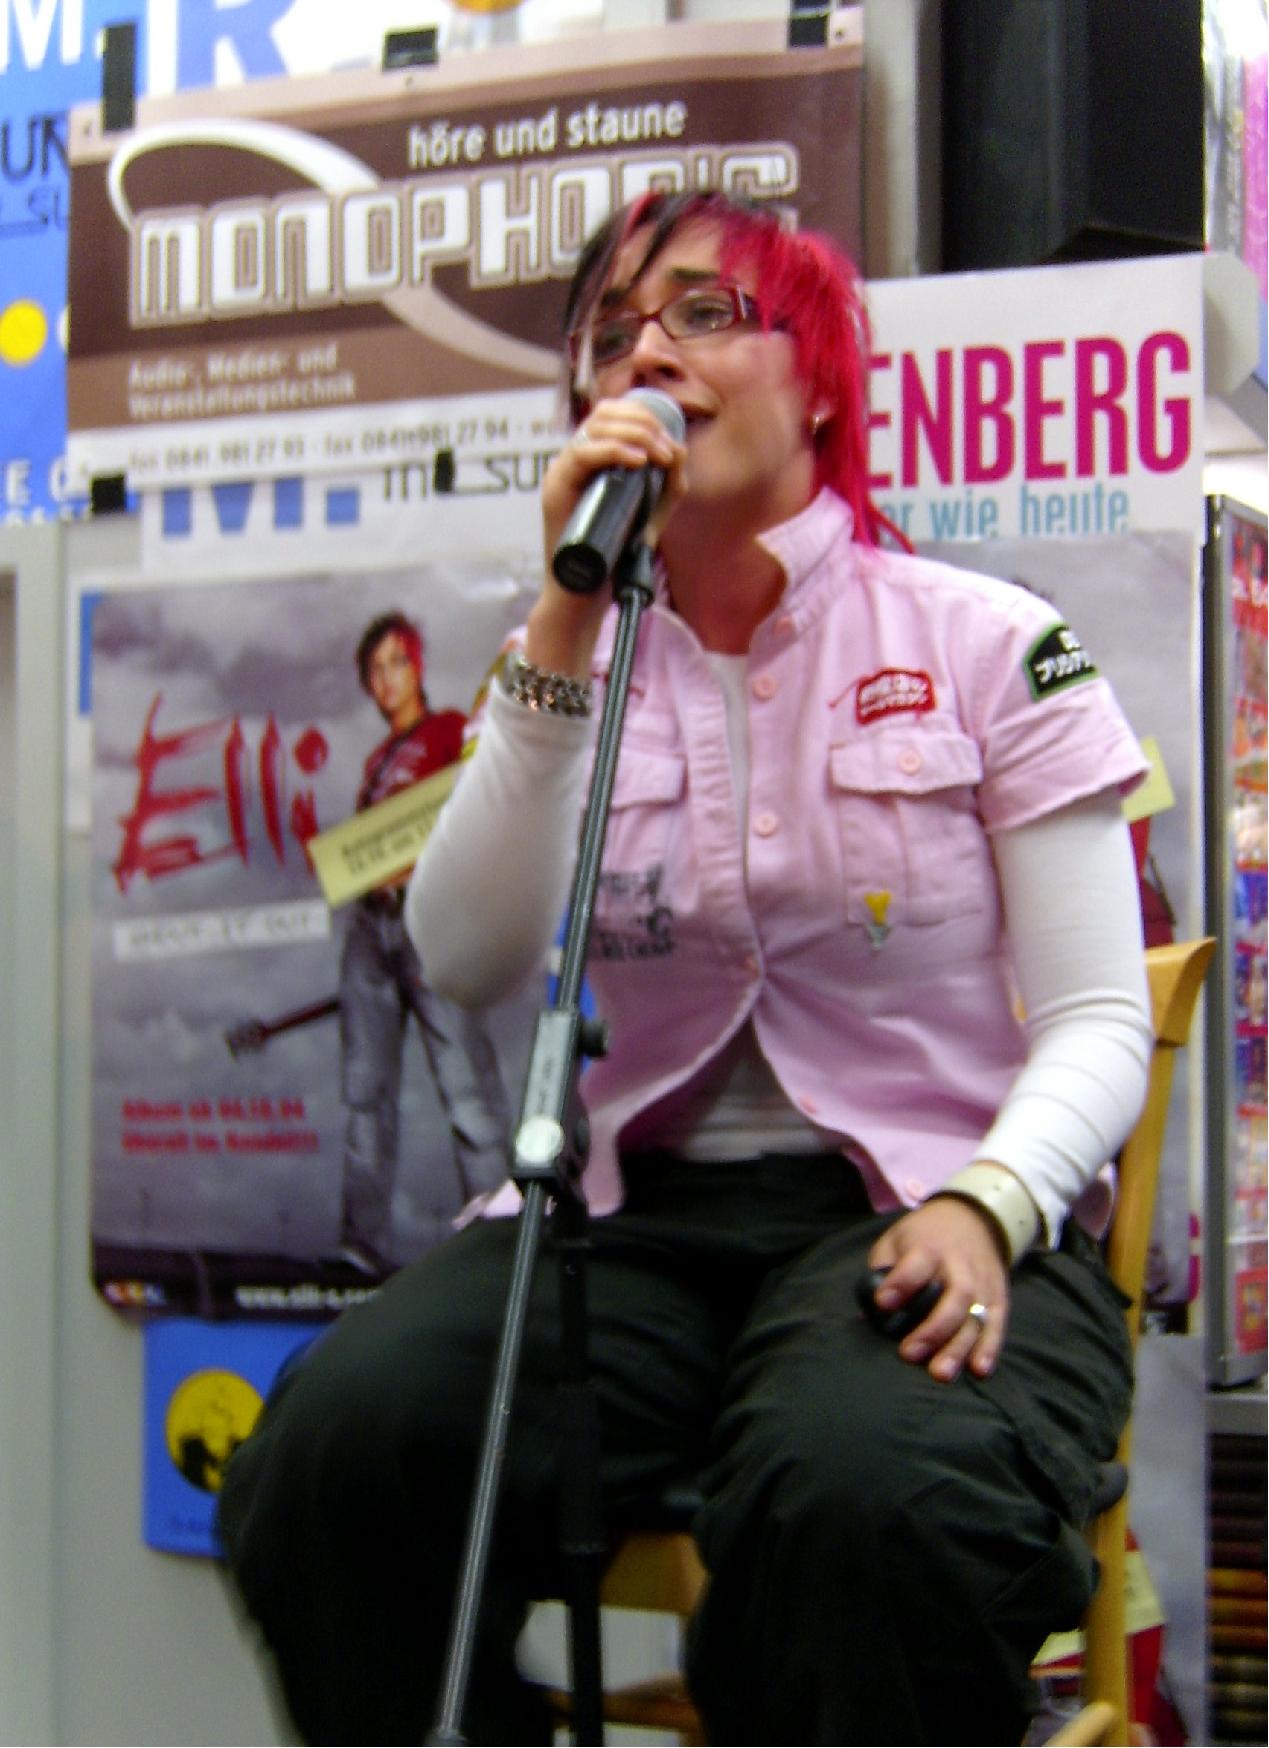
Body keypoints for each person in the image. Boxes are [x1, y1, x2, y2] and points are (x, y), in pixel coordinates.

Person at [218, 193, 1153, 1746]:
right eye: (612, 336)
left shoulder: (994, 643)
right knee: (331, 1456)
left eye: (705, 312)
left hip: (919, 1209)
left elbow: (1101, 1016)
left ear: (825, 383)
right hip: (624, 1230)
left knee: (866, 1500)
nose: (645, 353)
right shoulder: (567, 664)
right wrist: (561, 623)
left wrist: (994, 1203)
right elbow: (462, 956)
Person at [334, 611, 512, 1270]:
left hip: (429, 918)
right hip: (370, 924)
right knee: (364, 1094)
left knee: (467, 1089)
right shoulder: (375, 762)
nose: (387, 680)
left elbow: (475, 813)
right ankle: (360, 1248)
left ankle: (498, 1245)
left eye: (397, 663)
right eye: (374, 670)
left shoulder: (448, 732)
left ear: (419, 666)